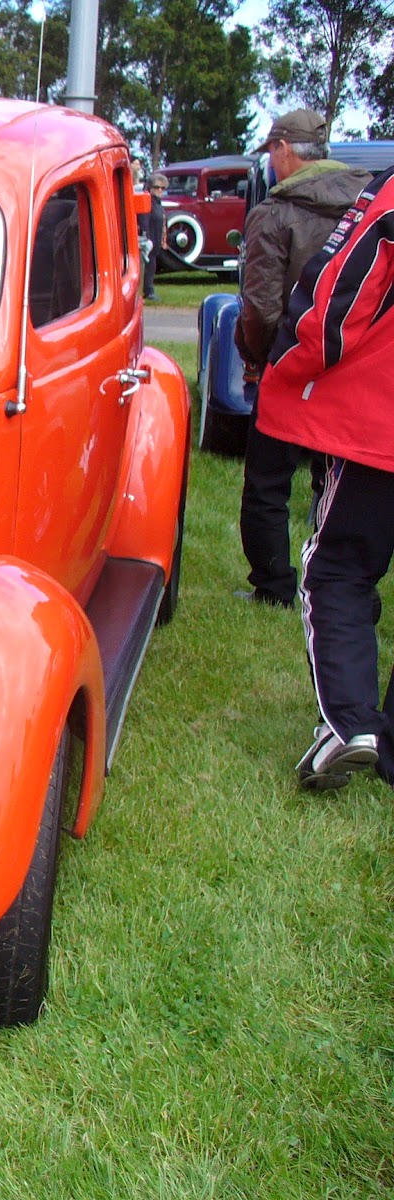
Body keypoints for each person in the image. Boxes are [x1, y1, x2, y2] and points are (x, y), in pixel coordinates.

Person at [256, 164, 394, 789]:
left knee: (338, 563)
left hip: (382, 422)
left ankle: (349, 724)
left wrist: (287, 364)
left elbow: (342, 298)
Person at [233, 109, 369, 608]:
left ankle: (274, 588)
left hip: (289, 363)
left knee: (268, 482)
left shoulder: (273, 213)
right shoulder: (366, 203)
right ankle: (336, 584)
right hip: (353, 364)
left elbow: (262, 307)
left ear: (284, 150)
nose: (270, 161)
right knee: (336, 480)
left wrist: (258, 356)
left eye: (270, 151)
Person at [139, 172, 168, 301]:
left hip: (156, 241)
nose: (160, 190)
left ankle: (149, 289)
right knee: (148, 266)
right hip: (149, 241)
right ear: (150, 187)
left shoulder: (158, 204)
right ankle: (148, 290)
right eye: (156, 187)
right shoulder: (148, 202)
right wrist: (146, 239)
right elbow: (144, 221)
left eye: (162, 188)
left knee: (152, 266)